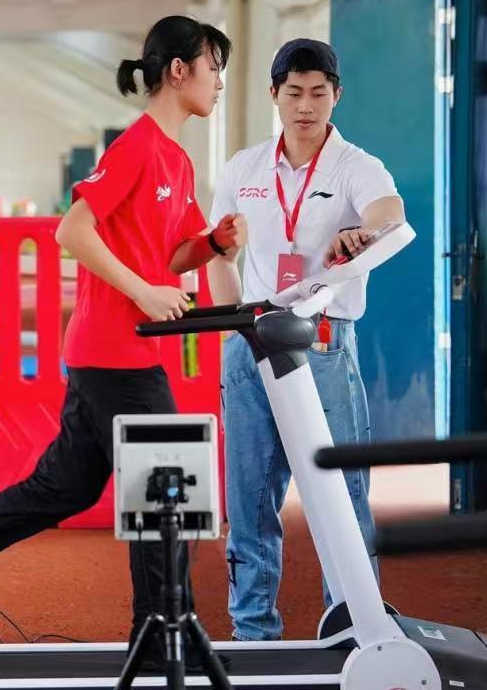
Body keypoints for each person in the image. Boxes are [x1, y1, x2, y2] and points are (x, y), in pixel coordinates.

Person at [0, 16, 248, 647]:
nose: (220, 81)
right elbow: (72, 230)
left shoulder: (176, 159)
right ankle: (158, 637)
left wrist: (214, 243)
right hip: (114, 353)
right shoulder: (137, 147)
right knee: (166, 494)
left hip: (122, 353)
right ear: (179, 71)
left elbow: (175, 254)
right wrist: (142, 290)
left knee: (64, 487)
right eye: (214, 67)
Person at [205, 39, 405, 642]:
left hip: (322, 344)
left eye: (319, 92)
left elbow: (389, 211)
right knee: (248, 497)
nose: (306, 106)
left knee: (342, 495)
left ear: (336, 95)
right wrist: (230, 325)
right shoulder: (243, 168)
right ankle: (252, 631)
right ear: (274, 95)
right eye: (293, 93)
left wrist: (362, 232)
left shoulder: (355, 165)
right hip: (250, 344)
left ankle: (355, 629)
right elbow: (220, 253)